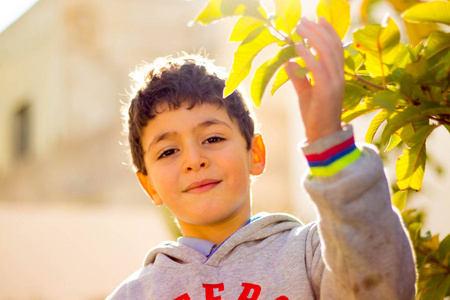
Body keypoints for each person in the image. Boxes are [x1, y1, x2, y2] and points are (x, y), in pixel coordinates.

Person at [106, 18, 416, 299]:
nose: (194, 160)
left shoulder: (311, 256)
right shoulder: (134, 294)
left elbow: (383, 289)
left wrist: (329, 143)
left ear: (255, 153)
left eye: (213, 138)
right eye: (168, 151)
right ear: (149, 186)